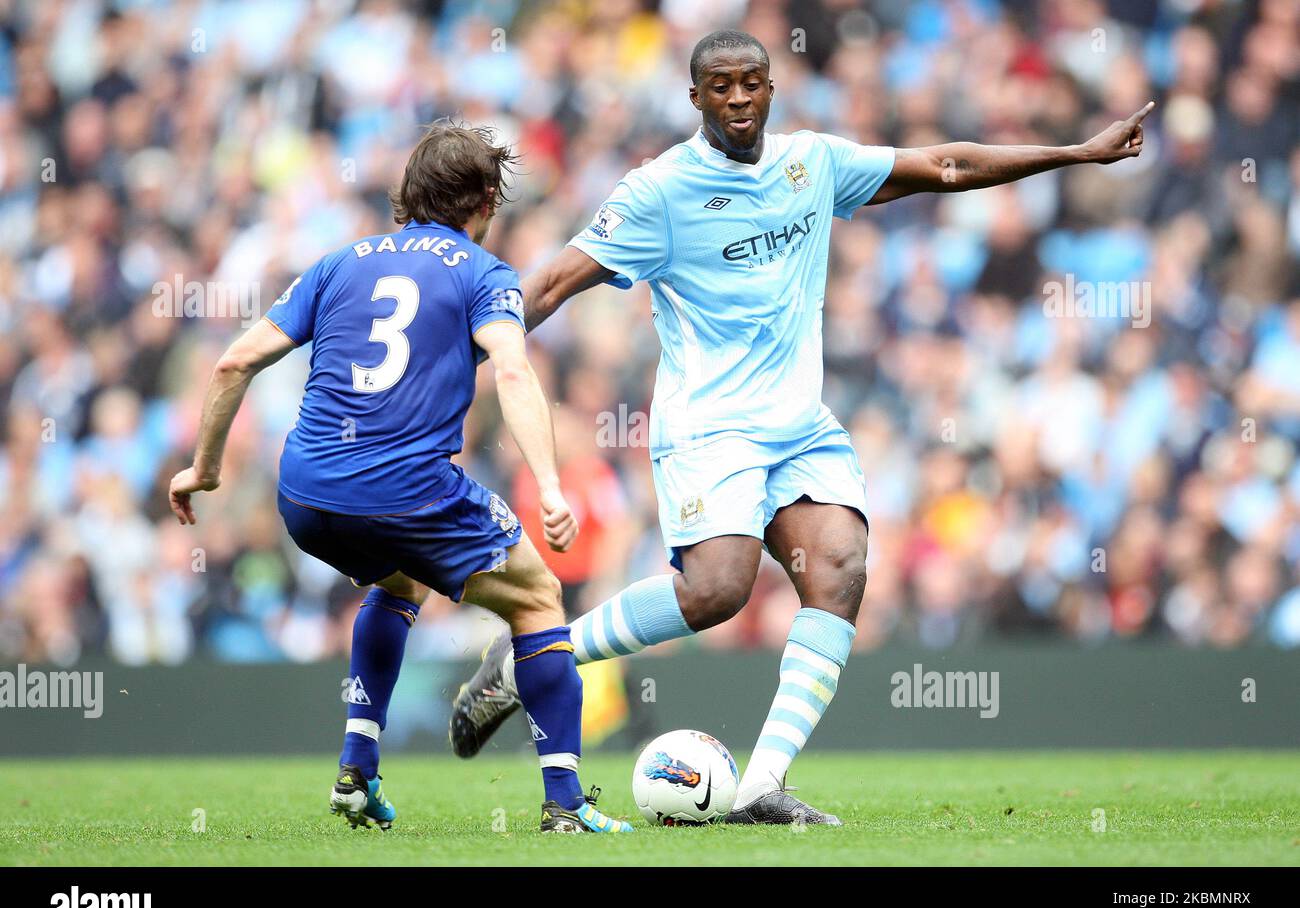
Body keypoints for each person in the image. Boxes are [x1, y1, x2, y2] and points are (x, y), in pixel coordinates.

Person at [451, 30, 1153, 825]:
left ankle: (761, 787)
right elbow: (550, 282)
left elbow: (945, 166)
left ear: (772, 87)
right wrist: (467, 357)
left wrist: (1073, 154)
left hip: (797, 425)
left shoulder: (811, 163)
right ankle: (530, 658)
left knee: (841, 566)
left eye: (752, 82)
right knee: (718, 591)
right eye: (721, 86)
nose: (740, 98)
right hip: (710, 426)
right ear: (695, 99)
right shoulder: (660, 191)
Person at [167, 122, 632, 834]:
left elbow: (234, 362)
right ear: (484, 202)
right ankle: (565, 806)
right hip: (407, 489)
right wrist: (550, 484)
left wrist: (203, 469)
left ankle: (358, 768)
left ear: (409, 195)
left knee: (399, 579)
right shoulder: (482, 272)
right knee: (538, 599)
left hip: (307, 493)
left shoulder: (336, 264)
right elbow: (510, 368)